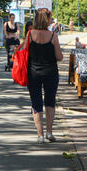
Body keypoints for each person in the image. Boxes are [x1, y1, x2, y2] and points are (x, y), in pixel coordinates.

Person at [25, 8, 63, 142]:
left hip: (33, 73)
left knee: (36, 103)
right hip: (50, 72)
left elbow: (24, 53)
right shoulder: (53, 36)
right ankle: (49, 132)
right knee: (50, 101)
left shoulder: (30, 34)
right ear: (47, 19)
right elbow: (59, 57)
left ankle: (40, 135)